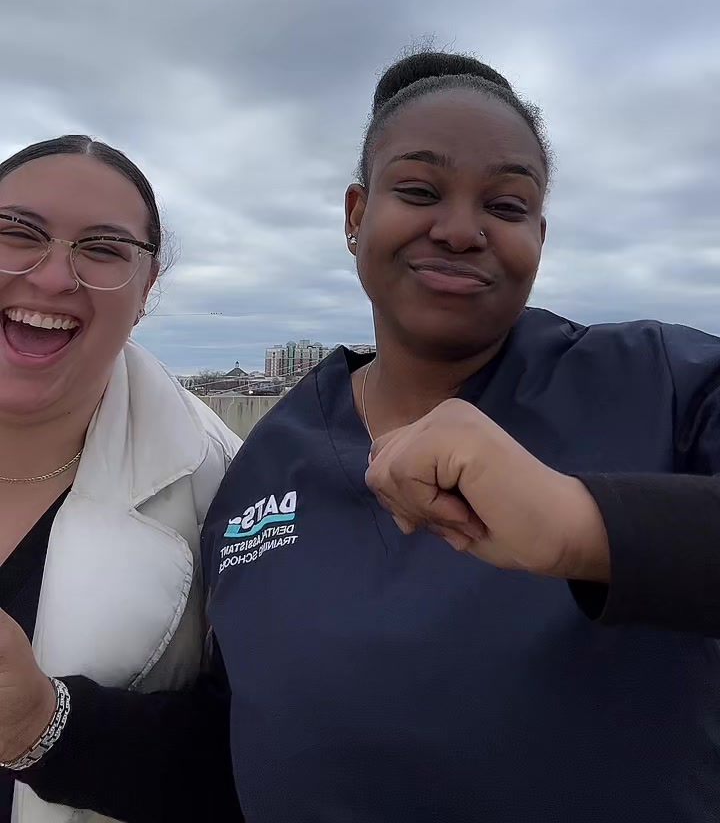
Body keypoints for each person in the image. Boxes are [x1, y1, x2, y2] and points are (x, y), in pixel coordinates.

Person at [6, 52, 720, 823]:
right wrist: (42, 723)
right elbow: (233, 756)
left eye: (507, 205)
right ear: (355, 215)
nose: (460, 229)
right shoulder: (261, 468)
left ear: (539, 235)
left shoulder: (661, 386)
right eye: (418, 190)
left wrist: (584, 527)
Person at [0, 134, 240, 823]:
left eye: (103, 249)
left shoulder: (225, 490)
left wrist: (44, 726)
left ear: (146, 290)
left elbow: (256, 764)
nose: (53, 277)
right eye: (17, 233)